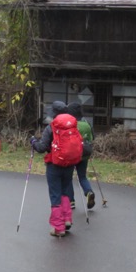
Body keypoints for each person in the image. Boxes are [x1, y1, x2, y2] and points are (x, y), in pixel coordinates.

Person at [30, 101, 80, 236]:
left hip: (54, 165)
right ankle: (67, 219)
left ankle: (58, 228)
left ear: (53, 113)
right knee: (65, 192)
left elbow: (42, 148)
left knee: (55, 194)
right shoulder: (73, 126)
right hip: (69, 164)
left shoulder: (51, 128)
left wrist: (33, 141)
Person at [66, 102, 96, 210]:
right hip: (84, 154)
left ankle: (71, 201)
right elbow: (92, 137)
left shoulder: (70, 123)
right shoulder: (86, 123)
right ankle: (89, 192)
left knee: (68, 178)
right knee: (82, 176)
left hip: (72, 154)